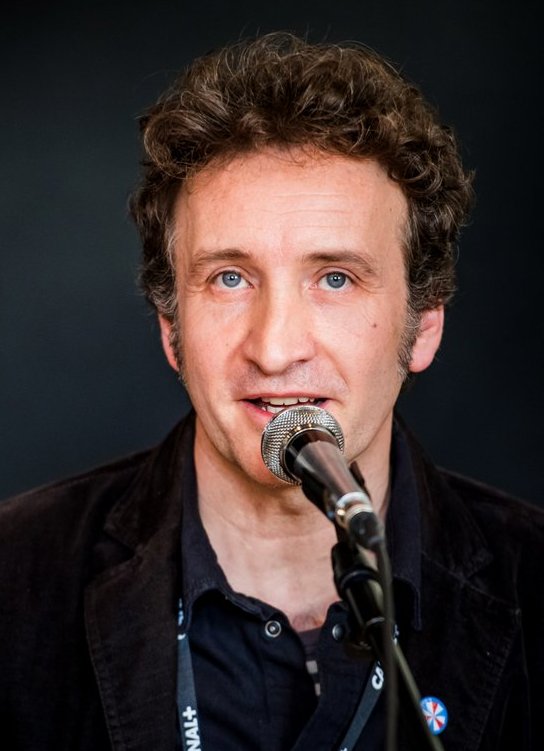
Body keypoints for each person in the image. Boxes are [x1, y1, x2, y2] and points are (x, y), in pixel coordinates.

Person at [1, 32, 542, 751]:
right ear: (171, 328)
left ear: (424, 326)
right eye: (230, 278)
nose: (276, 347)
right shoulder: (14, 578)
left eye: (336, 278)